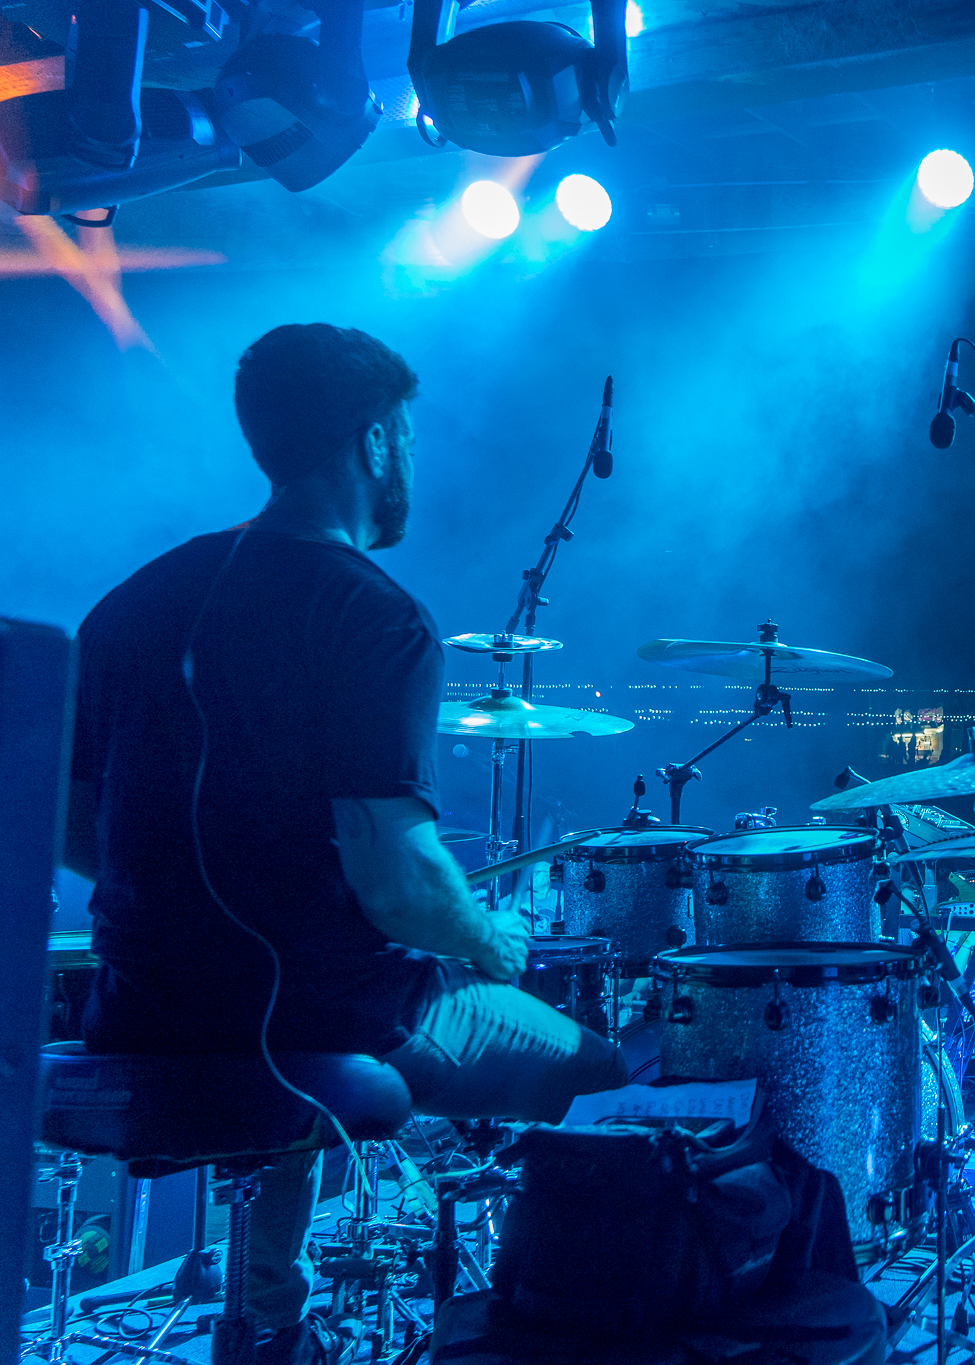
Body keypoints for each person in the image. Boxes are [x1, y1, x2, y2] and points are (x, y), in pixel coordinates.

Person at [63, 325, 626, 1365]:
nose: (410, 456)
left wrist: (205, 894)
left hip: (138, 1013)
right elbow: (399, 881)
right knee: (607, 1076)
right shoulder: (375, 616)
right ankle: (555, 1327)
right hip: (323, 1013)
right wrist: (487, 939)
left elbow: (72, 826)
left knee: (288, 1025)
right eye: (406, 434)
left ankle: (267, 1325)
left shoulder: (126, 608)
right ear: (375, 440)